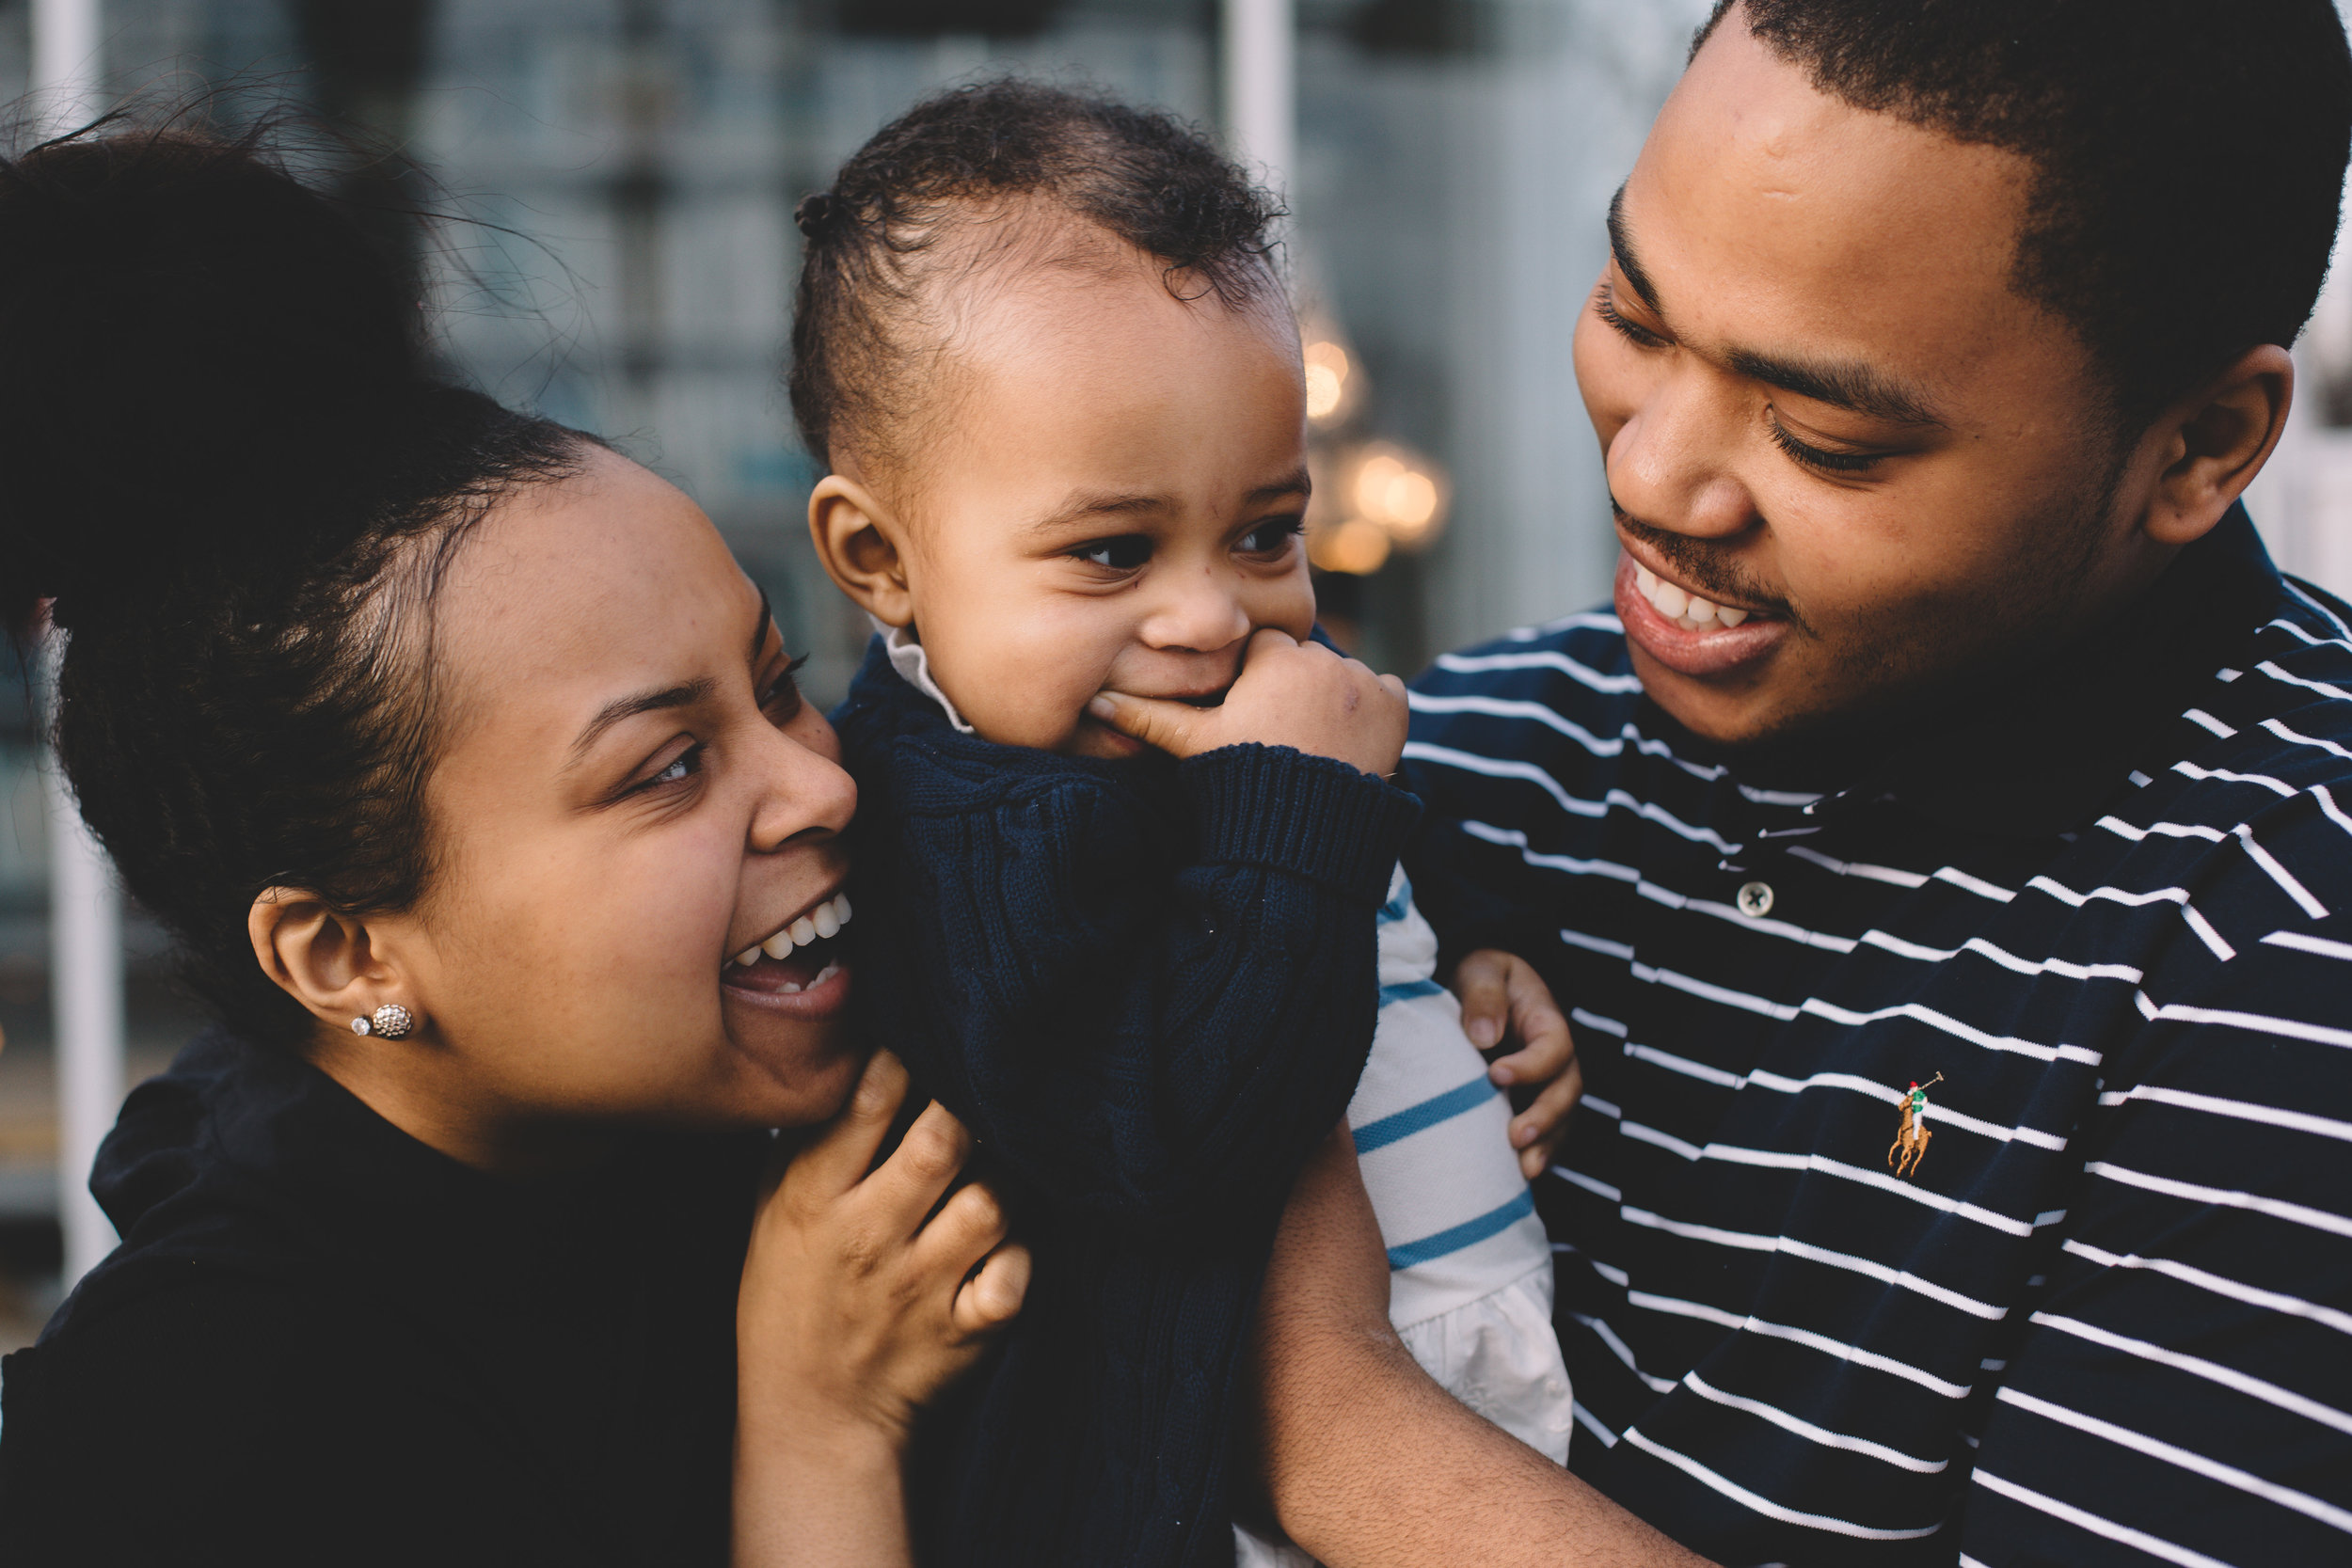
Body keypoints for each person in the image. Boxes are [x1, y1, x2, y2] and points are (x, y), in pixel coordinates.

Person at [1232, 2, 2352, 1565]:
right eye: (1632, 313)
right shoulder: (1432, 777)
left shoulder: (2288, 957)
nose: (1650, 474)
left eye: (1823, 434)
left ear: (2200, 446)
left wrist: (1316, 1405)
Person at [0, 121, 1027, 1566]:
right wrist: (819, 1425)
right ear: (344, 951)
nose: (821, 791)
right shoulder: (188, 1444)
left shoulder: (799, 1075)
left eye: (777, 683)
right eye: (666, 769)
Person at [789, 83, 1581, 1568]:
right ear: (879, 559)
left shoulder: (1242, 714)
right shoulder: (967, 832)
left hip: (1466, 1433)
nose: (1212, 615)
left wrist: (1483, 946)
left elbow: (1397, 855)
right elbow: (1173, 1150)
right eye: (1111, 551)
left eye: (1268, 531)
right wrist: (1304, 815)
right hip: (1216, 1493)